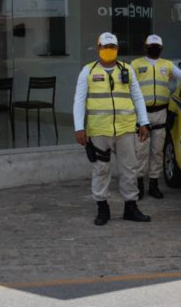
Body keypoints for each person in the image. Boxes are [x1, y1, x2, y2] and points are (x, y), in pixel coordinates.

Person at [73, 32, 151, 226]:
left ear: (117, 49)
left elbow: (138, 97)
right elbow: (79, 101)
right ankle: (102, 207)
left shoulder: (127, 70)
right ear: (98, 48)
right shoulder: (88, 71)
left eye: (112, 47)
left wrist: (144, 122)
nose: (108, 51)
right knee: (100, 170)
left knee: (129, 169)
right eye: (105, 47)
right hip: (99, 131)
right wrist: (79, 127)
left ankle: (130, 207)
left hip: (125, 129)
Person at [131, 35, 181, 199]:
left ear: (161, 49)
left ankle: (153, 184)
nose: (154, 48)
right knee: (141, 152)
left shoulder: (166, 65)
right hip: (141, 114)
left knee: (157, 151)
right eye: (152, 46)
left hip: (160, 112)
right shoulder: (136, 64)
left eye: (157, 46)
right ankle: (138, 184)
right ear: (146, 47)